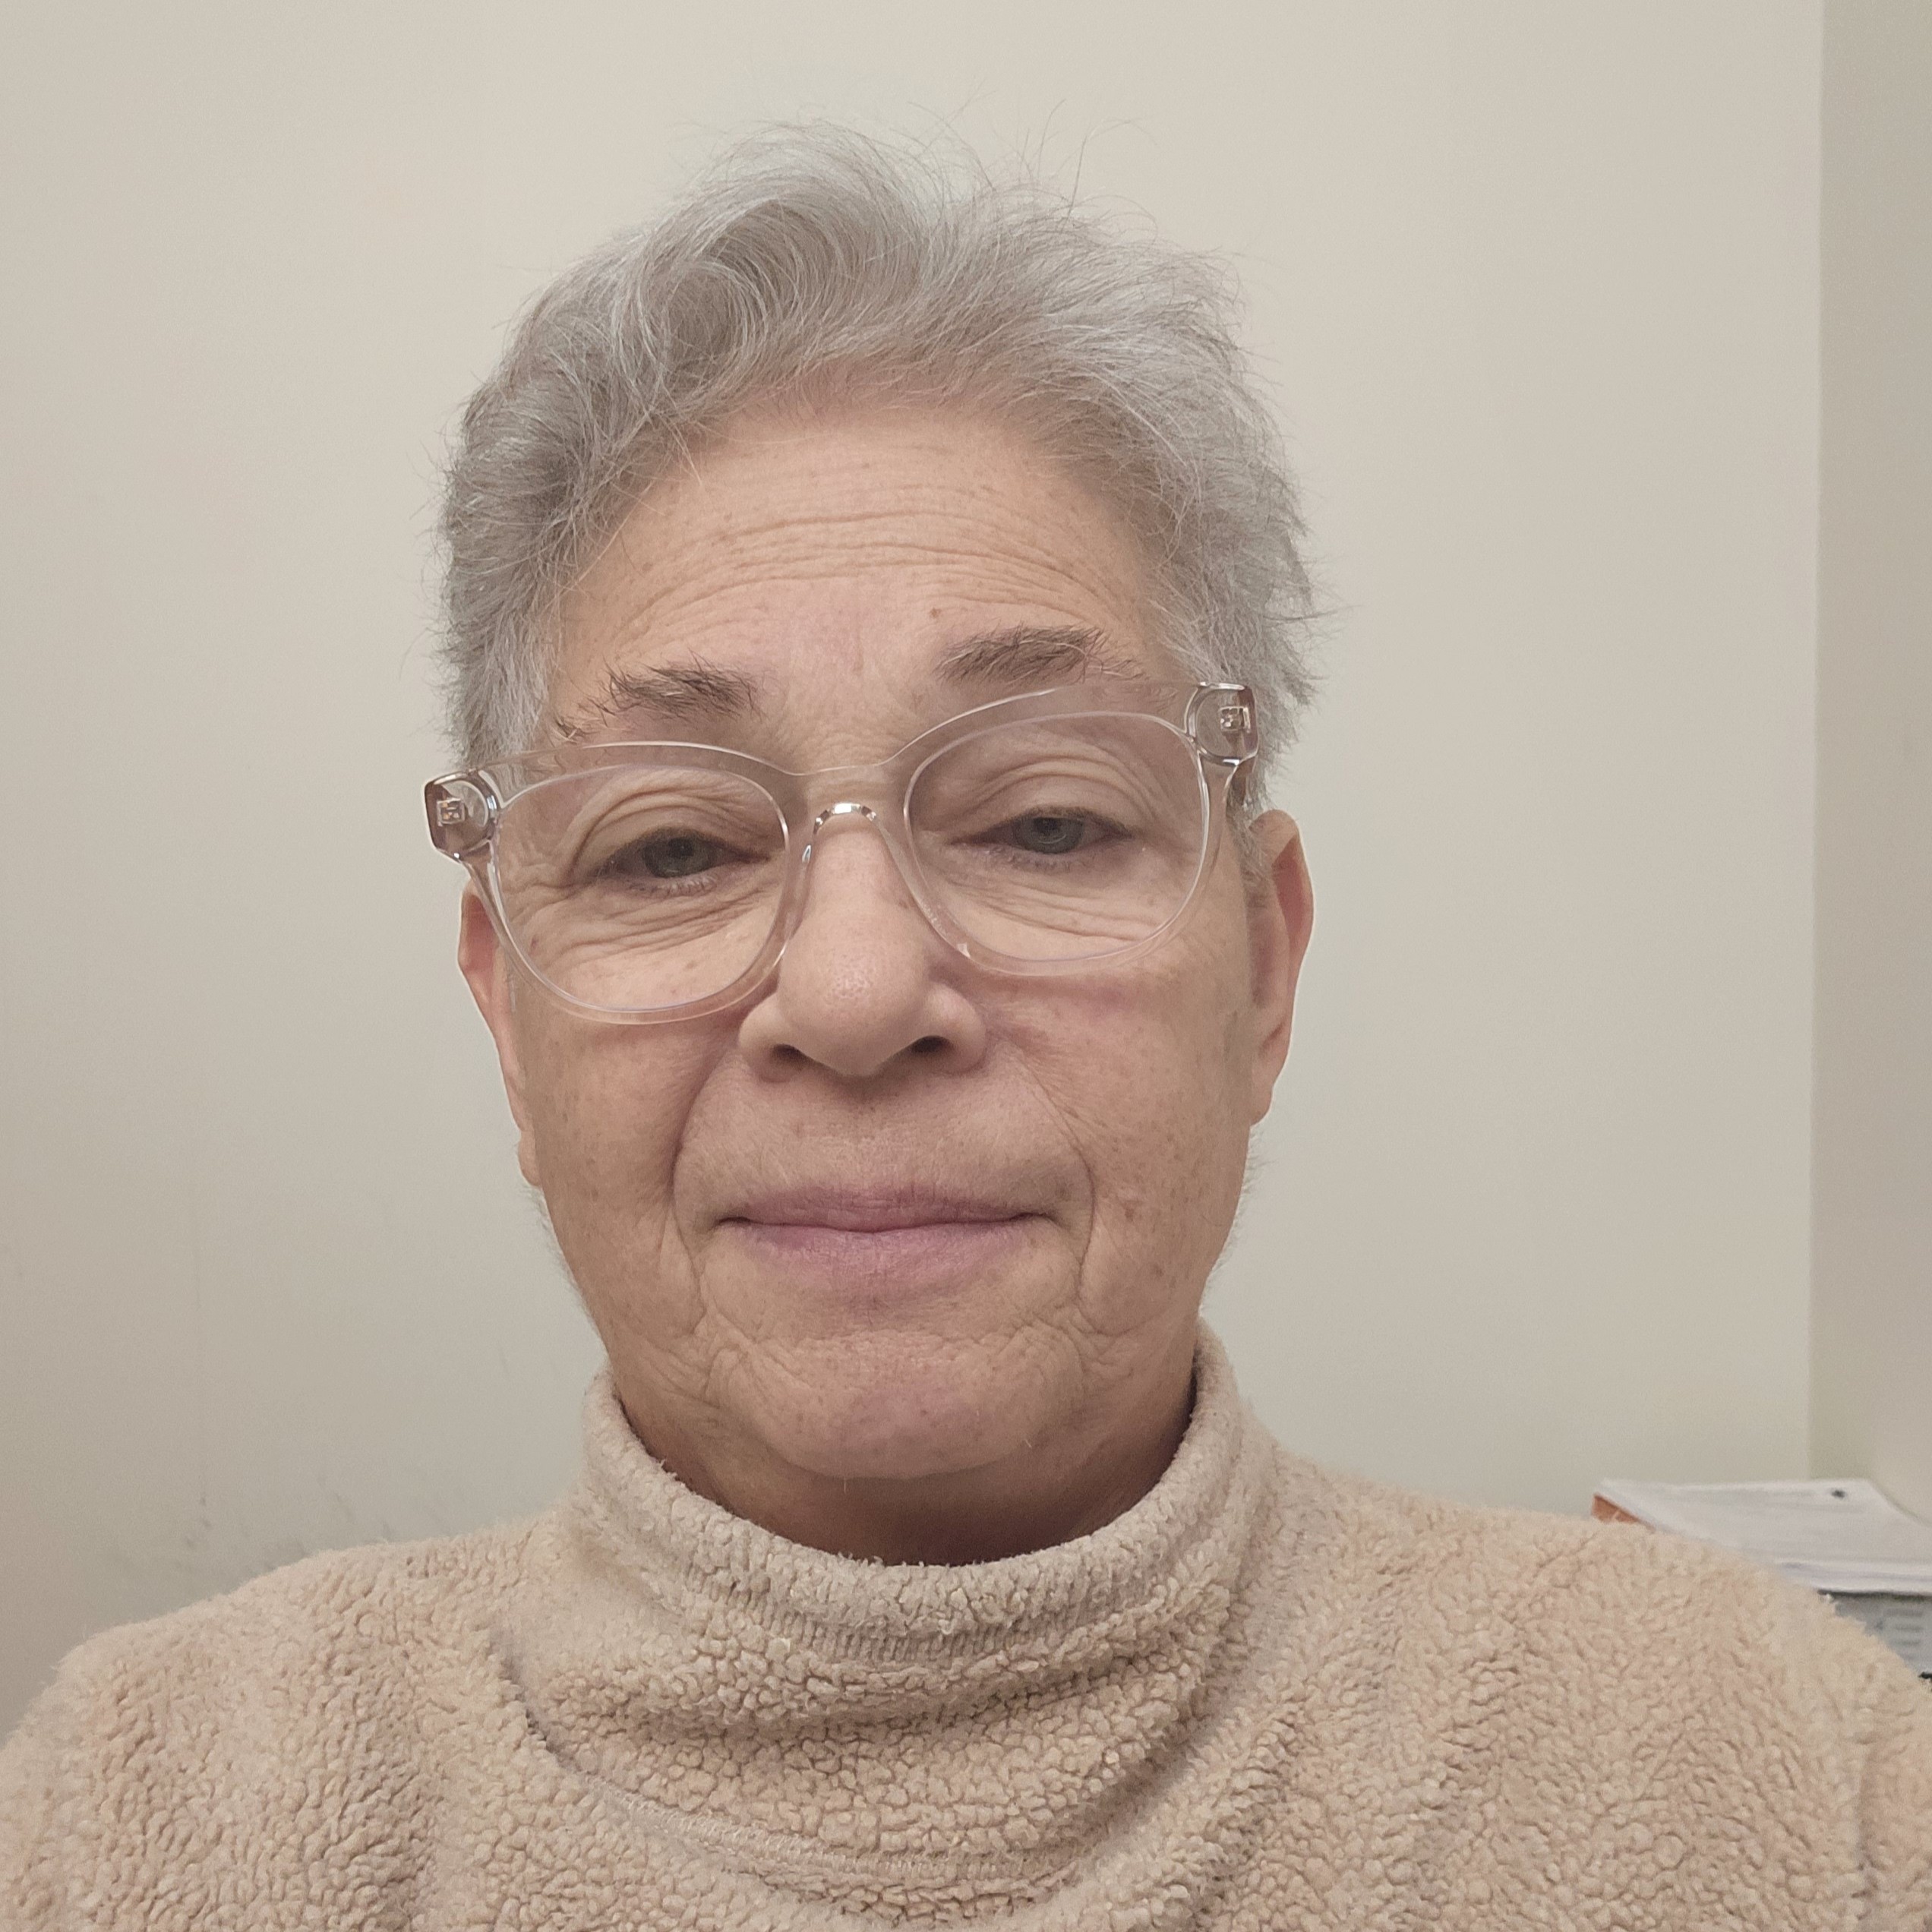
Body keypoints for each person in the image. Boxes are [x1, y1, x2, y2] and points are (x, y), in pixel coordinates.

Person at [3, 126, 1927, 1931]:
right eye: (672, 842)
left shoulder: (1780, 1774)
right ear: (507, 1017)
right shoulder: (143, 1818)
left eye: (1044, 819)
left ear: (1263, 969)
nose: (850, 995)